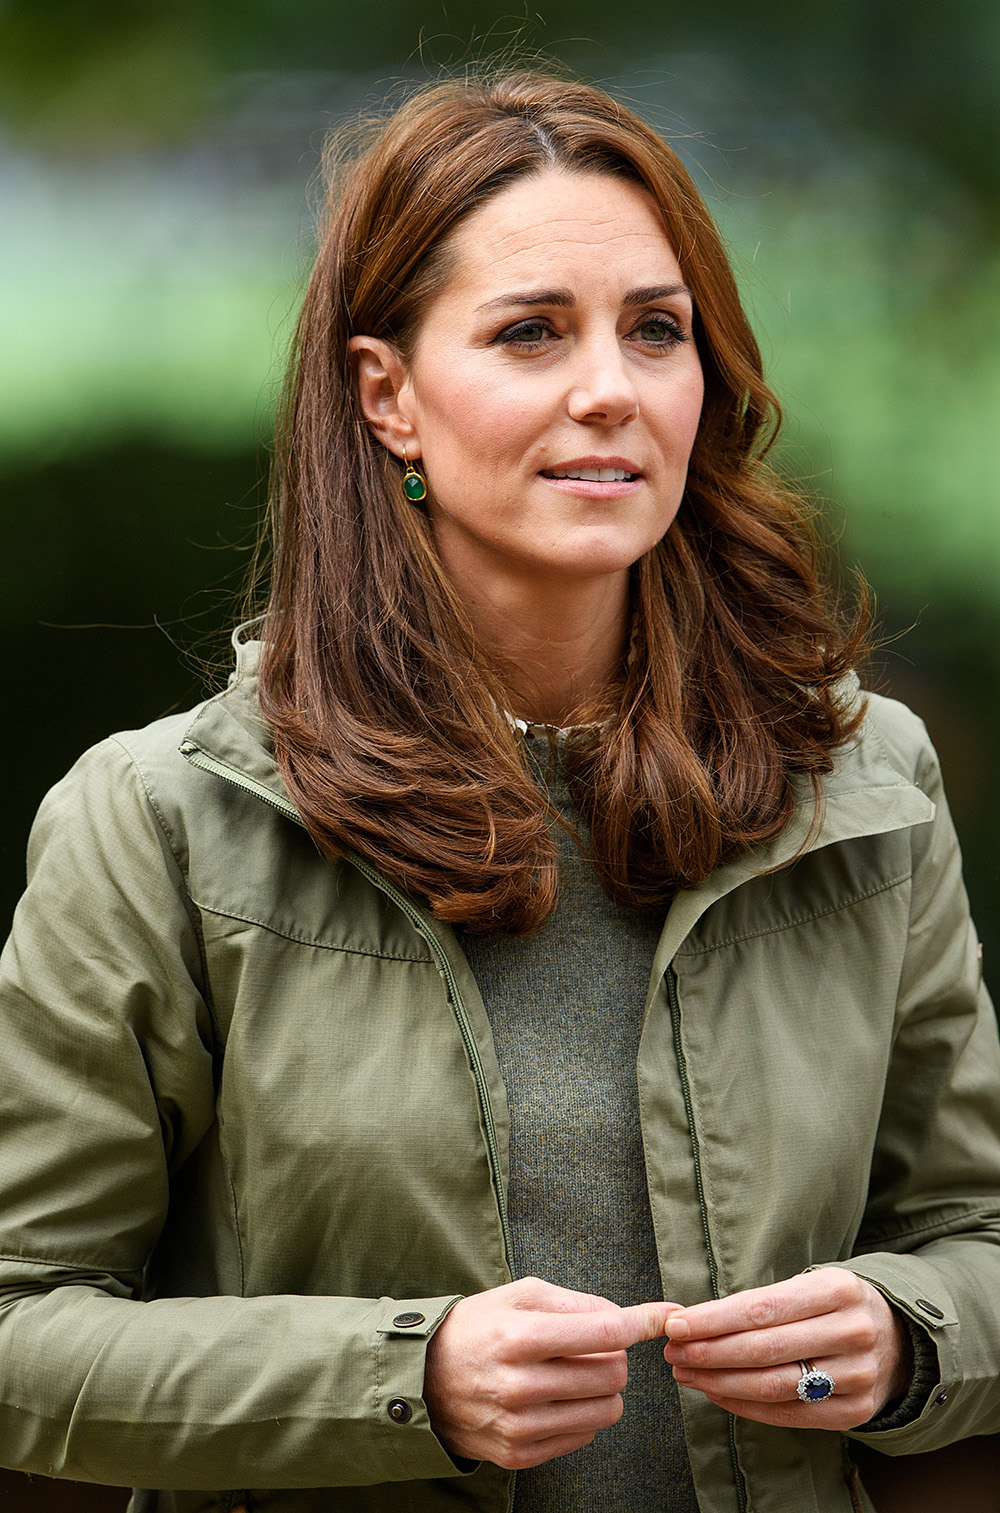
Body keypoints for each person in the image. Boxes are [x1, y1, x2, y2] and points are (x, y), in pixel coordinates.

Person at [1, 67, 999, 1513]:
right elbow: (24, 1324)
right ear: (386, 393)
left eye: (656, 330)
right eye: (532, 332)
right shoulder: (162, 819)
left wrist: (909, 1335)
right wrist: (413, 1376)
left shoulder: (859, 783)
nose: (611, 387)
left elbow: (977, 1234)